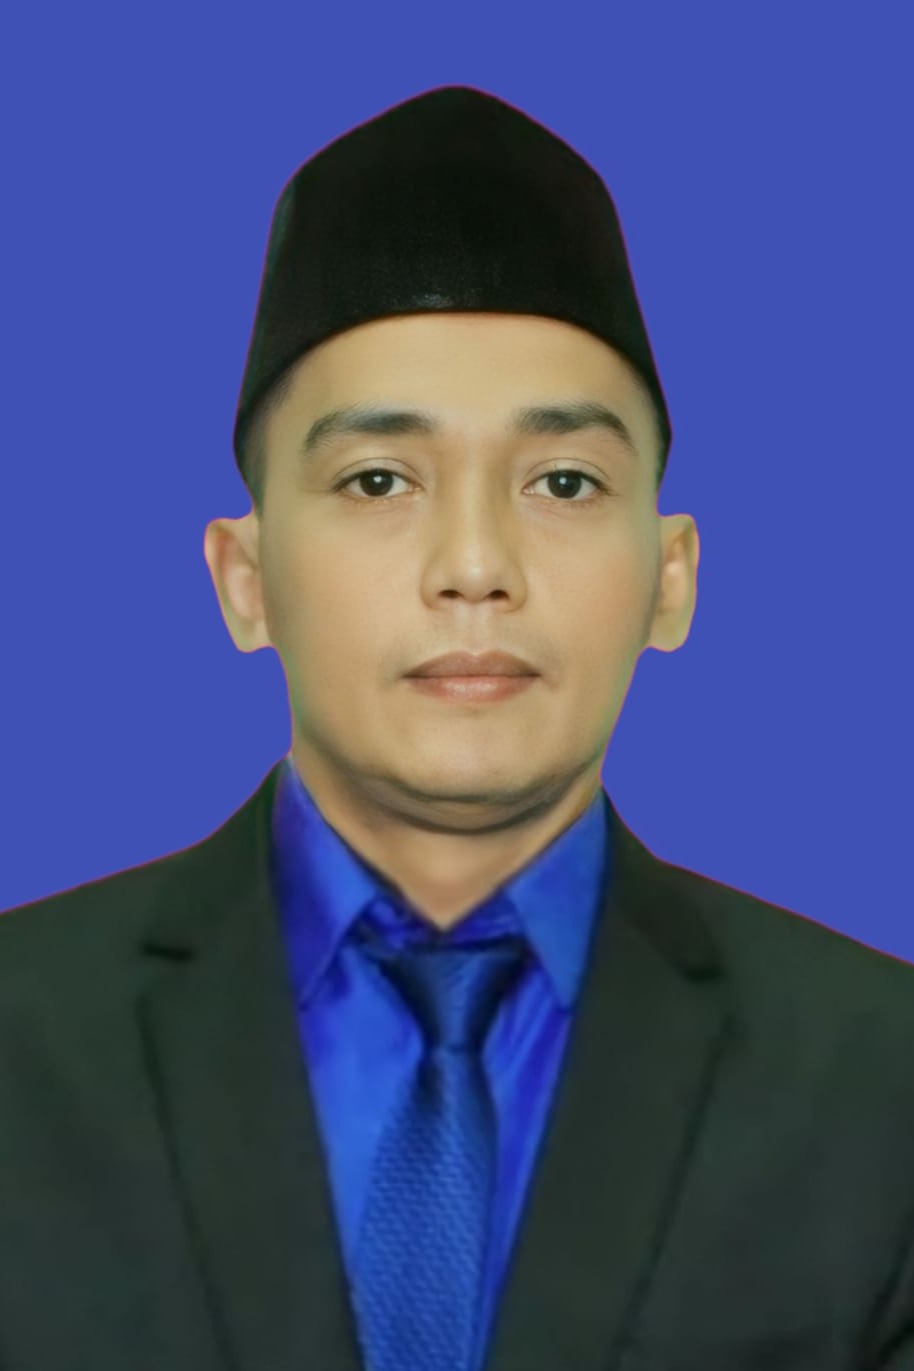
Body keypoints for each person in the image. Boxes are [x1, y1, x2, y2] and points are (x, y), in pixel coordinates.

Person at [1, 84, 914, 1371]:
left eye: (562, 481)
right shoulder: (22, 1043)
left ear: (671, 577)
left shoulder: (881, 1083)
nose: (475, 566)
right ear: (243, 580)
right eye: (379, 479)